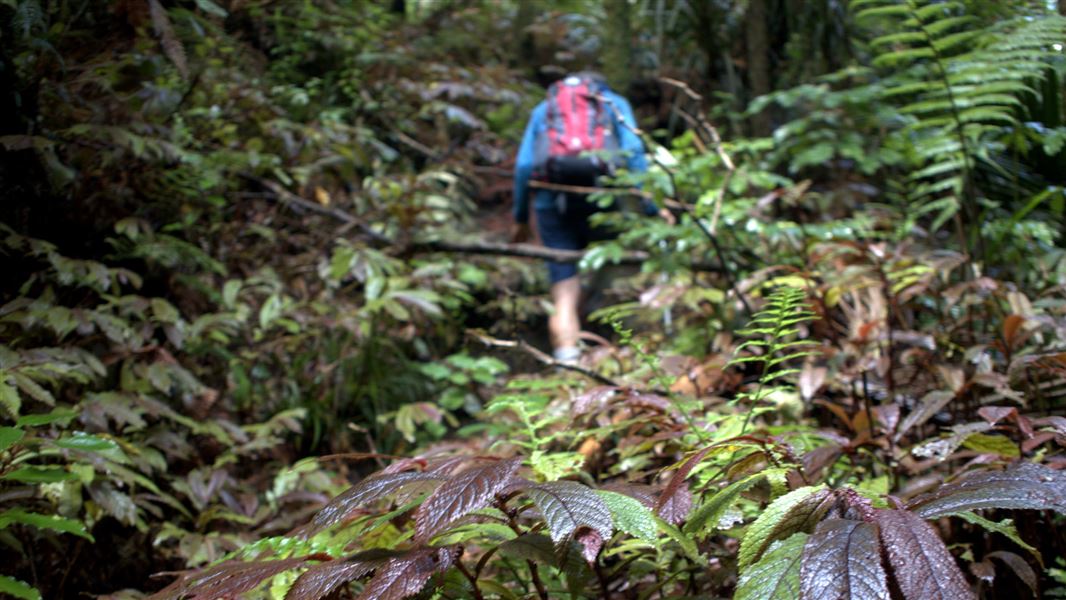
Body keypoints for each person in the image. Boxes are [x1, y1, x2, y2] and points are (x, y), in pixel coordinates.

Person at [511, 72, 672, 364]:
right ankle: (623, 353)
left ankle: (570, 366)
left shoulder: (544, 108)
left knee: (563, 293)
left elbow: (523, 166)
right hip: (605, 199)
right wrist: (652, 205)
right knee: (614, 267)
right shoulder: (614, 103)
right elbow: (633, 153)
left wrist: (521, 217)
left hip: (553, 204)